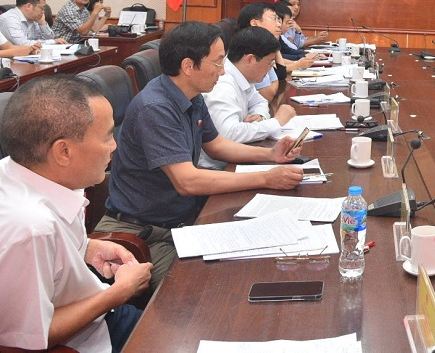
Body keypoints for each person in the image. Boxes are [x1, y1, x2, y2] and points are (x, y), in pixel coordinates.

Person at [93, 21, 305, 287]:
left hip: (178, 220)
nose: (223, 71)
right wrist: (266, 178)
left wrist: (271, 155)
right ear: (188, 66)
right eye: (217, 62)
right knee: (208, 287)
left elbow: (216, 145)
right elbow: (187, 181)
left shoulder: (192, 95)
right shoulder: (156, 107)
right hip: (143, 233)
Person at [0, 76, 152, 353]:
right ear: (64, 151)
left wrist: (87, 248)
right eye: (107, 136)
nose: (114, 146)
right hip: (86, 340)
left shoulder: (20, 169)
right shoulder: (30, 227)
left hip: (94, 310)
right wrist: (119, 293)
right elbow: (28, 338)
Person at [200, 27, 297, 169]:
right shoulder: (222, 84)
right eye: (270, 63)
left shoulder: (242, 75)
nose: (271, 68)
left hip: (238, 157)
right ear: (250, 59)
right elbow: (228, 134)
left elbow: (260, 101)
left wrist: (260, 116)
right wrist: (276, 122)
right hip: (219, 168)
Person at [0, 0, 64, 45]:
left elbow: (49, 39)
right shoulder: (10, 19)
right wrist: (53, 42)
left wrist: (42, 23)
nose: (43, 12)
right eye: (42, 8)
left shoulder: (34, 19)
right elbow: (22, 44)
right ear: (28, 6)